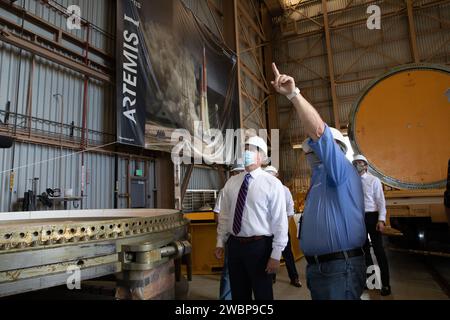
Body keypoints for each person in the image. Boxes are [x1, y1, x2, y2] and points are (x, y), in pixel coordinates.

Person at [271, 62, 366, 300]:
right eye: (309, 153)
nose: (311, 156)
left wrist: (293, 95)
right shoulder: (319, 180)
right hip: (321, 270)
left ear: (337, 150)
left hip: (339, 269)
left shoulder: (340, 169)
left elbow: (319, 132)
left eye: (316, 151)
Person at [215, 136, 288, 300]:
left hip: (259, 247)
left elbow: (280, 221)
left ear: (262, 157)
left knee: (263, 294)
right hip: (234, 246)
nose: (247, 152)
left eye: (253, 149)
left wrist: (276, 254)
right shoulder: (232, 182)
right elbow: (225, 216)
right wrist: (220, 241)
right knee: (239, 295)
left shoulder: (272, 184)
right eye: (246, 149)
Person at [353, 155, 391, 296]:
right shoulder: (353, 182)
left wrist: (381, 220)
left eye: (360, 163)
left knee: (379, 251)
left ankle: (386, 284)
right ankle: (372, 282)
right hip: (359, 219)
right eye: (355, 163)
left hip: (372, 217)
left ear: (366, 166)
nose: (357, 165)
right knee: (364, 252)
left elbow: (381, 201)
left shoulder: (373, 180)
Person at [264, 166, 302, 288]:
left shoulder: (284, 190)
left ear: (277, 175)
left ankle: (294, 277)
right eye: (267, 174)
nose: (270, 177)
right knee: (269, 254)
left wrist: (283, 229)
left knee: (287, 254)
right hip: (266, 230)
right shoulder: (262, 189)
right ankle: (271, 277)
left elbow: (290, 211)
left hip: (281, 228)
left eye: (272, 174)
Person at [213, 164, 245, 300]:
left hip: (249, 239)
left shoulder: (249, 189)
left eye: (240, 172)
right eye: (235, 172)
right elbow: (218, 213)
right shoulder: (226, 190)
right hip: (232, 238)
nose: (237, 175)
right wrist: (222, 236)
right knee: (228, 271)